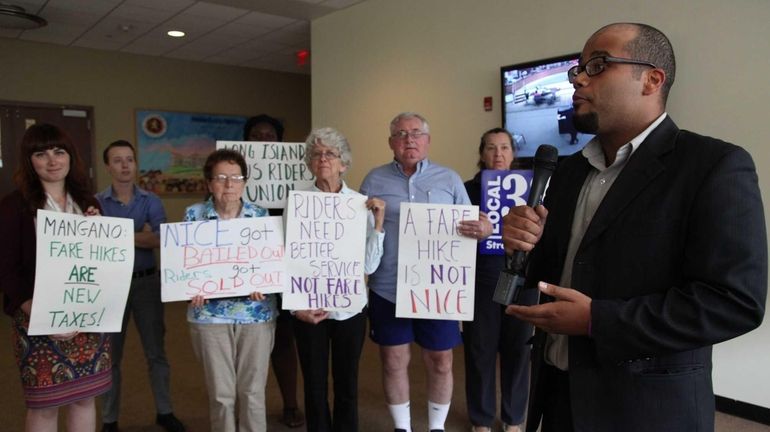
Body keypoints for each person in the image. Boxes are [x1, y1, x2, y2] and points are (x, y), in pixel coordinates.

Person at [502, 23, 767, 432]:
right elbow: (557, 272)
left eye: (598, 64)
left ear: (652, 79)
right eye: (577, 69)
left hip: (646, 409)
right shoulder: (570, 170)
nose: (579, 78)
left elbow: (734, 302)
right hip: (557, 394)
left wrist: (597, 320)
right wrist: (523, 244)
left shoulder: (713, 166)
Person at [359, 112, 491, 432]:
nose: (409, 140)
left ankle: (436, 427)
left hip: (437, 289)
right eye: (401, 134)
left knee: (442, 361)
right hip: (387, 287)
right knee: (393, 361)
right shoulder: (373, 180)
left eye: (416, 133)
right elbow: (360, 232)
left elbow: (476, 223)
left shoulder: (449, 179)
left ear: (428, 141)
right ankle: (402, 427)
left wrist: (484, 227)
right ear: (391, 142)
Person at [0, 123, 111, 431]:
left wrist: (99, 232)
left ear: (70, 156)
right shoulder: (14, 206)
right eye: (41, 153)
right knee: (46, 404)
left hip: (87, 317)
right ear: (29, 160)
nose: (52, 160)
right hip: (36, 315)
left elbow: (103, 262)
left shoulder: (90, 203)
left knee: (84, 398)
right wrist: (28, 305)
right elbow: (5, 266)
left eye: (59, 151)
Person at [290, 127, 386, 432]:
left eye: (330, 153)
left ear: (344, 163)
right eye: (316, 153)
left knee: (347, 381)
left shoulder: (359, 205)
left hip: (350, 308)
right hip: (308, 309)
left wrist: (379, 223)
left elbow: (369, 264)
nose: (323, 159)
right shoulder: (297, 203)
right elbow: (286, 259)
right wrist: (294, 307)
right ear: (309, 162)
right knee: (314, 383)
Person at [184, 148, 277, 432]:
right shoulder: (193, 216)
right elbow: (185, 264)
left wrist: (264, 282)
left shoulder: (261, 216)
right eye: (221, 177)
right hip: (209, 315)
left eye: (236, 177)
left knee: (252, 393)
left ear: (244, 182)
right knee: (221, 395)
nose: (229, 184)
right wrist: (191, 286)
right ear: (209, 183)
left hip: (255, 314)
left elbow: (270, 263)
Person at [96, 140, 185, 432]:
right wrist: (138, 233)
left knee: (156, 352)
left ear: (135, 164)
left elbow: (159, 239)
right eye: (118, 160)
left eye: (130, 160)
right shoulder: (96, 203)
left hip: (146, 283)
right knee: (110, 357)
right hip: (110, 287)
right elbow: (95, 242)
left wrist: (115, 233)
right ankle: (109, 419)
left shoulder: (151, 200)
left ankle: (165, 411)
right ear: (108, 166)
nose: (125, 165)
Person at [463, 128, 534, 432]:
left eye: (504, 148)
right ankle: (480, 419)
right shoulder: (466, 189)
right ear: (481, 154)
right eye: (491, 148)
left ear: (513, 154)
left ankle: (513, 418)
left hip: (523, 278)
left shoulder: (531, 189)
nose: (498, 154)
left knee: (519, 350)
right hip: (482, 278)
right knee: (480, 350)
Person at [243, 114, 305, 428]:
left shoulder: (298, 180)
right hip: (246, 268)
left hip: (285, 266)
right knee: (248, 340)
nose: (263, 140)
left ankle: (291, 404)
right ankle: (248, 403)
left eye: (270, 135)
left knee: (283, 337)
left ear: (279, 142)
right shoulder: (233, 180)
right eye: (256, 135)